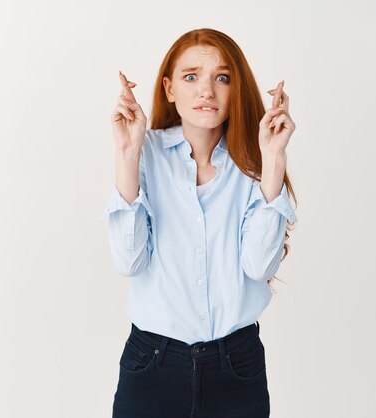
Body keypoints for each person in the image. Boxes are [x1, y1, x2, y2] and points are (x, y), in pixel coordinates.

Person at [102, 28, 298, 418]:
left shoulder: (254, 160)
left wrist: (273, 158)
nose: (206, 90)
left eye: (221, 78)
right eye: (191, 76)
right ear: (169, 88)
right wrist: (127, 153)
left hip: (236, 366)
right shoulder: (145, 152)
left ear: (235, 89)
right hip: (152, 363)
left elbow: (259, 267)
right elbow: (128, 262)